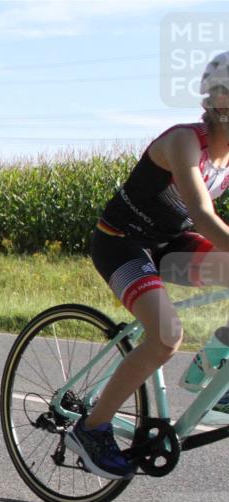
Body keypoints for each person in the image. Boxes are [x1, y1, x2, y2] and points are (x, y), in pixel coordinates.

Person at [65, 51, 229, 480]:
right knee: (167, 335)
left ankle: (216, 362)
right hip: (122, 244)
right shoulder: (185, 142)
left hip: (168, 244)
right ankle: (92, 427)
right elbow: (201, 212)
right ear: (217, 103)